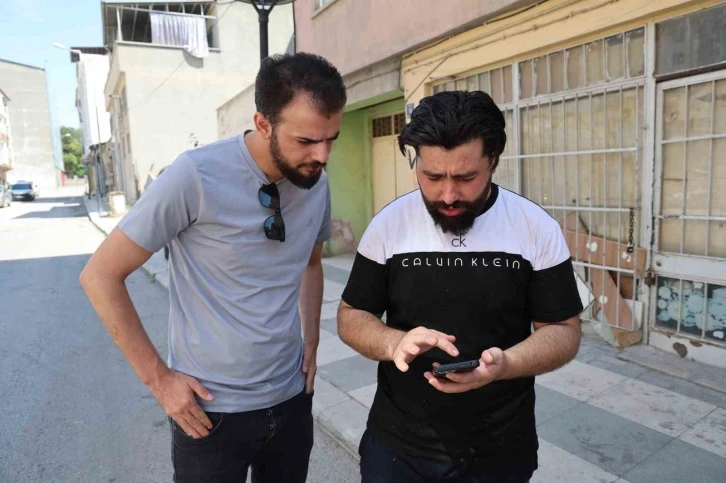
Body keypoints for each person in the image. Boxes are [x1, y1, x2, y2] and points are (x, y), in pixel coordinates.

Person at [80, 52, 346, 483]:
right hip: (209, 412)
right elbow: (100, 275)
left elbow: (311, 263)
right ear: (263, 123)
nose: (323, 155)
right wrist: (160, 381)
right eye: (306, 141)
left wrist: (311, 339)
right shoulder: (196, 175)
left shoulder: (316, 181)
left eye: (331, 138)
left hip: (292, 401)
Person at [338, 91, 583, 483]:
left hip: (499, 449)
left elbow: (563, 331)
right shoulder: (389, 225)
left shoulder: (535, 227)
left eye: (466, 177)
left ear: (493, 161)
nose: (448, 195)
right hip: (396, 447)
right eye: (432, 177)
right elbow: (352, 315)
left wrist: (506, 365)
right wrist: (393, 342)